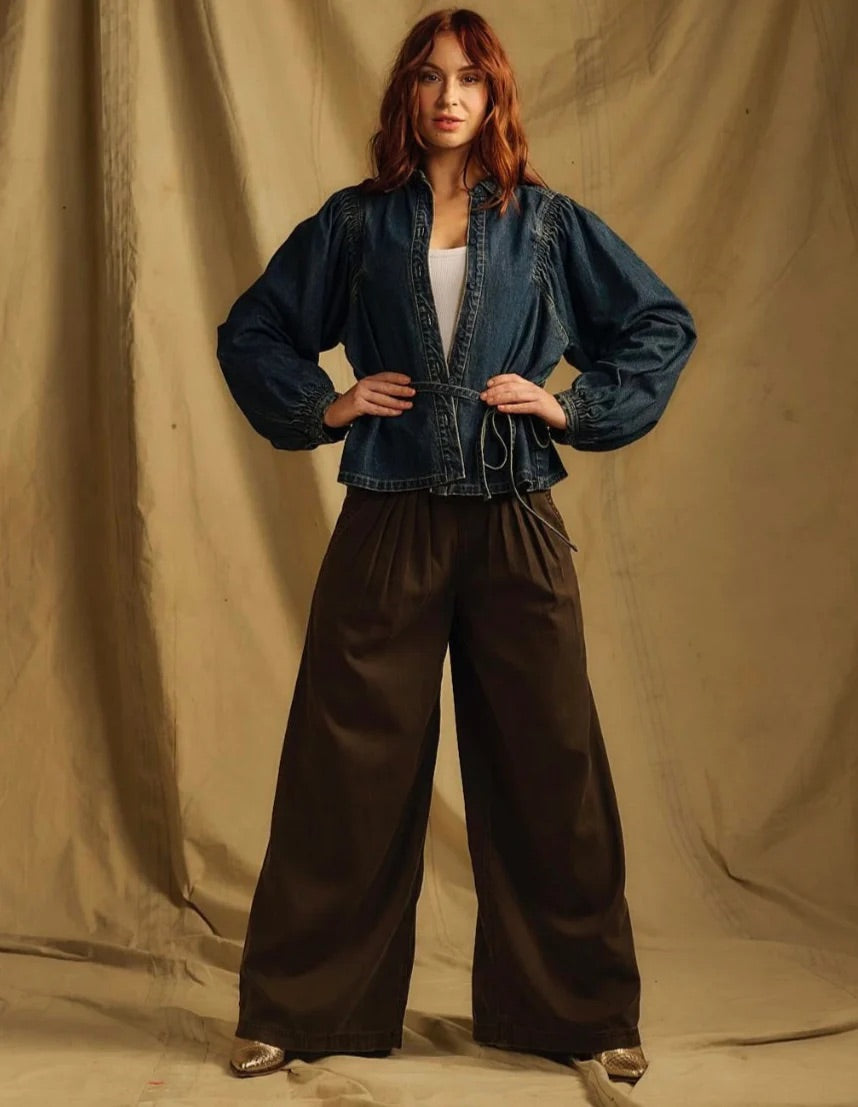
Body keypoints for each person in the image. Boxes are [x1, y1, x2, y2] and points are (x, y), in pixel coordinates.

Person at [216, 6, 696, 1087]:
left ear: (494, 96)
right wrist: (328, 405)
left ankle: (583, 1013)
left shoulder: (546, 224)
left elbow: (658, 324)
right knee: (345, 766)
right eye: (431, 77)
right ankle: (298, 1007)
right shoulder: (354, 224)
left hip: (515, 513)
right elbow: (253, 331)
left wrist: (573, 406)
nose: (449, 96)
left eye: (470, 79)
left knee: (549, 765)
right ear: (408, 93)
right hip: (388, 512)